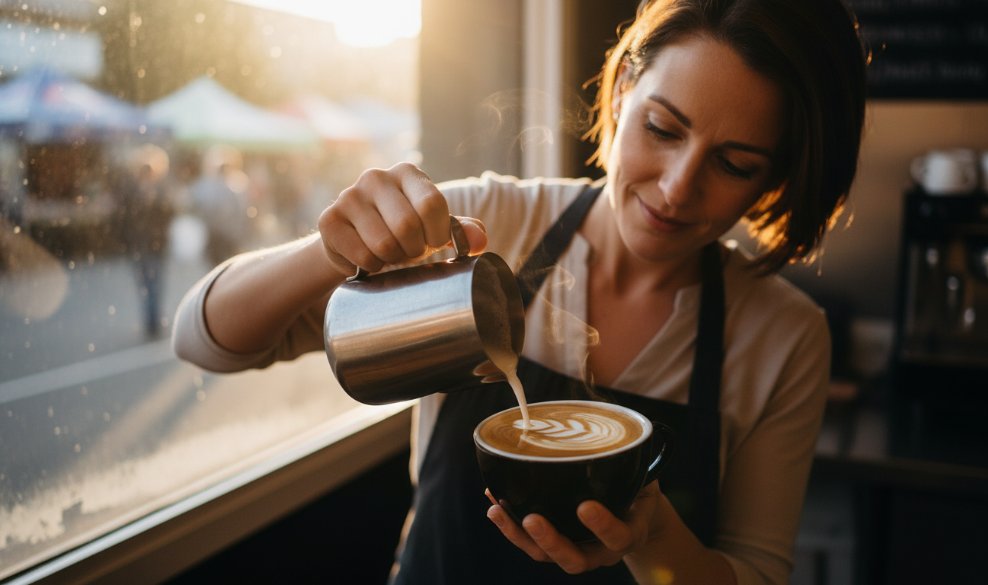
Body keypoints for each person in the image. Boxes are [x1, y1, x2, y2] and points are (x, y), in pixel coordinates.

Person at [172, 0, 866, 583]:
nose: (678, 186)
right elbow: (207, 341)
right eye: (662, 128)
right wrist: (328, 251)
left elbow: (757, 571)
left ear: (774, 180)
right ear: (623, 91)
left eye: (734, 163)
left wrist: (651, 536)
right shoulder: (481, 226)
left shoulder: (782, 335)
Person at [120, 143, 175, 338]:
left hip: (144, 245)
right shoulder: (156, 192)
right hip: (151, 245)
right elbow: (168, 215)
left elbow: (123, 218)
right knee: (152, 284)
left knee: (147, 285)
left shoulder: (135, 192)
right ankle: (153, 321)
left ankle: (151, 321)